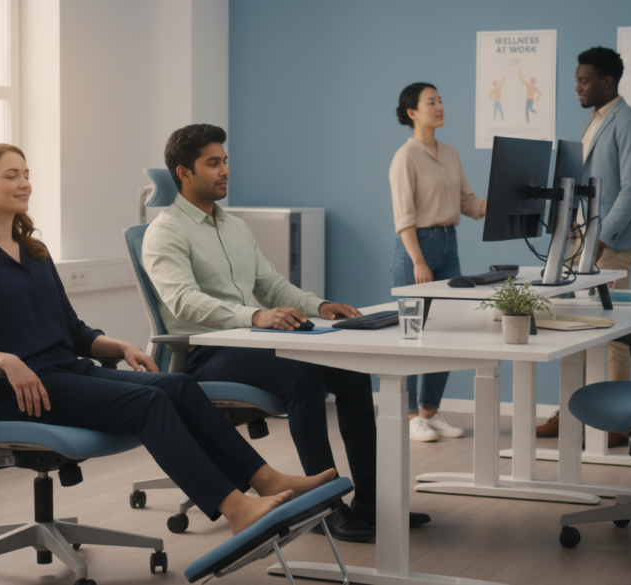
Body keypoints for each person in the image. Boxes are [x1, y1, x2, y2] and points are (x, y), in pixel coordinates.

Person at [0, 143, 337, 537]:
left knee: (178, 384)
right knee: (149, 401)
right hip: (26, 391)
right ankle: (235, 508)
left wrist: (120, 347)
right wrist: (6, 361)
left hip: (68, 372)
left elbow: (72, 331)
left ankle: (265, 481)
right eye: (11, 175)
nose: (24, 183)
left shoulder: (34, 252)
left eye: (27, 175)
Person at [141, 124, 431, 542]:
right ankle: (324, 508)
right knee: (304, 376)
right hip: (203, 353)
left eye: (225, 161)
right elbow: (183, 302)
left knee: (350, 373)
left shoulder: (233, 225)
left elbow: (272, 285)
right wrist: (254, 317)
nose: (225, 170)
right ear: (184, 173)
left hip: (248, 343)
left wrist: (321, 306)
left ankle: (370, 501)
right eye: (213, 163)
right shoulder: (165, 232)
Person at [536, 47, 631, 447]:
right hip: (580, 240)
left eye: (584, 80)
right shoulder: (594, 122)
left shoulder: (630, 122)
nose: (577, 87)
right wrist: (571, 229)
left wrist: (602, 236)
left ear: (607, 81)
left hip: (610, 244)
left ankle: (617, 420)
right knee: (575, 328)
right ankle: (574, 412)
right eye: (576, 80)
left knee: (613, 332)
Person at [389, 83, 488, 443]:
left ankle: (430, 410)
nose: (440, 106)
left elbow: (468, 203)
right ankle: (411, 415)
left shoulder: (449, 153)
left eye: (441, 100)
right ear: (412, 112)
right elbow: (404, 217)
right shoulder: (405, 157)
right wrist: (417, 261)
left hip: (449, 243)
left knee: (446, 334)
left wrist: (503, 200)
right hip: (419, 247)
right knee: (413, 335)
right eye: (432, 102)